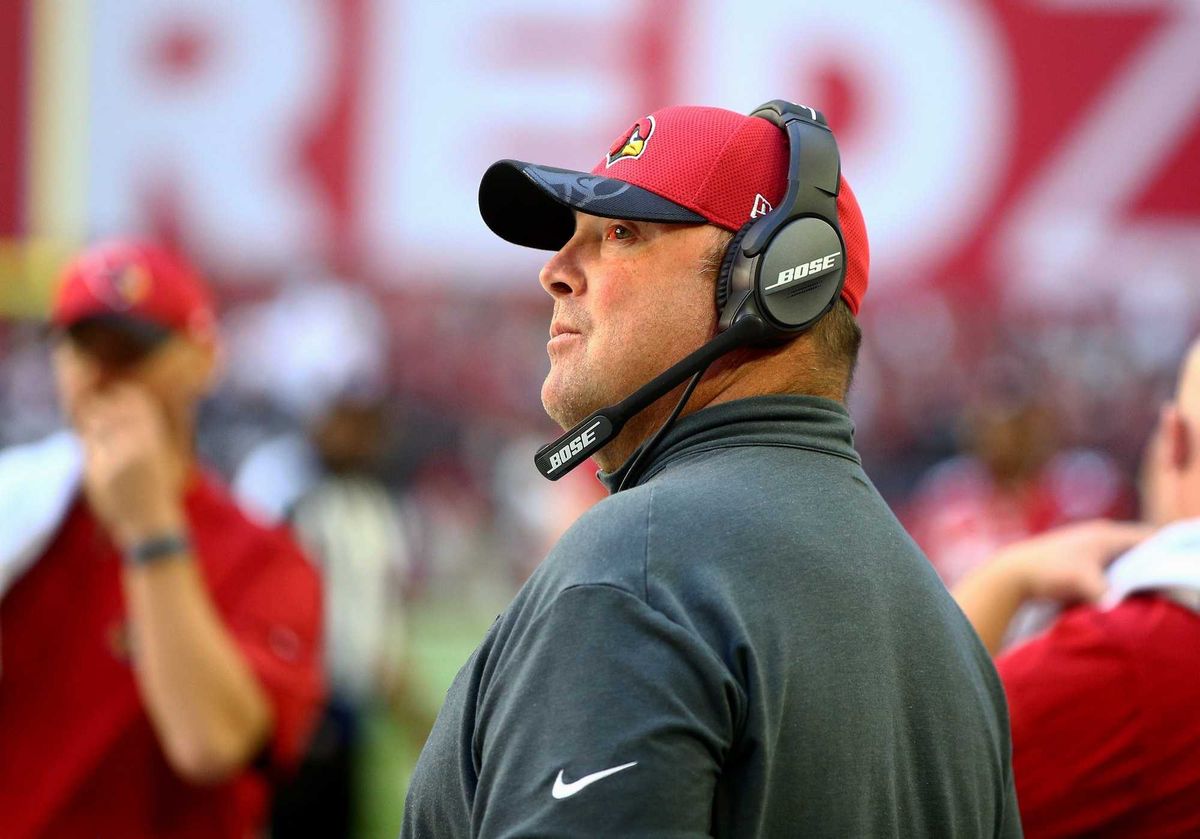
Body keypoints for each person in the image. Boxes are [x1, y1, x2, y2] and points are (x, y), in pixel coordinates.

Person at [401, 103, 1020, 837]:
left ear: (777, 280)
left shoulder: (638, 570)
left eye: (621, 234)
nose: (554, 273)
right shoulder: (950, 639)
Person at [0, 241, 324, 838]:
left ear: (202, 360)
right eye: (82, 346)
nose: (103, 374)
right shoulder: (19, 509)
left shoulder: (266, 558)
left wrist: (149, 527)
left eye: (131, 349)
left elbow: (210, 744)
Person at [954, 339, 1200, 837]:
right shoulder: (949, 502)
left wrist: (1006, 579)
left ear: (1172, 439)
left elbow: (890, 782)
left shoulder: (1132, 658)